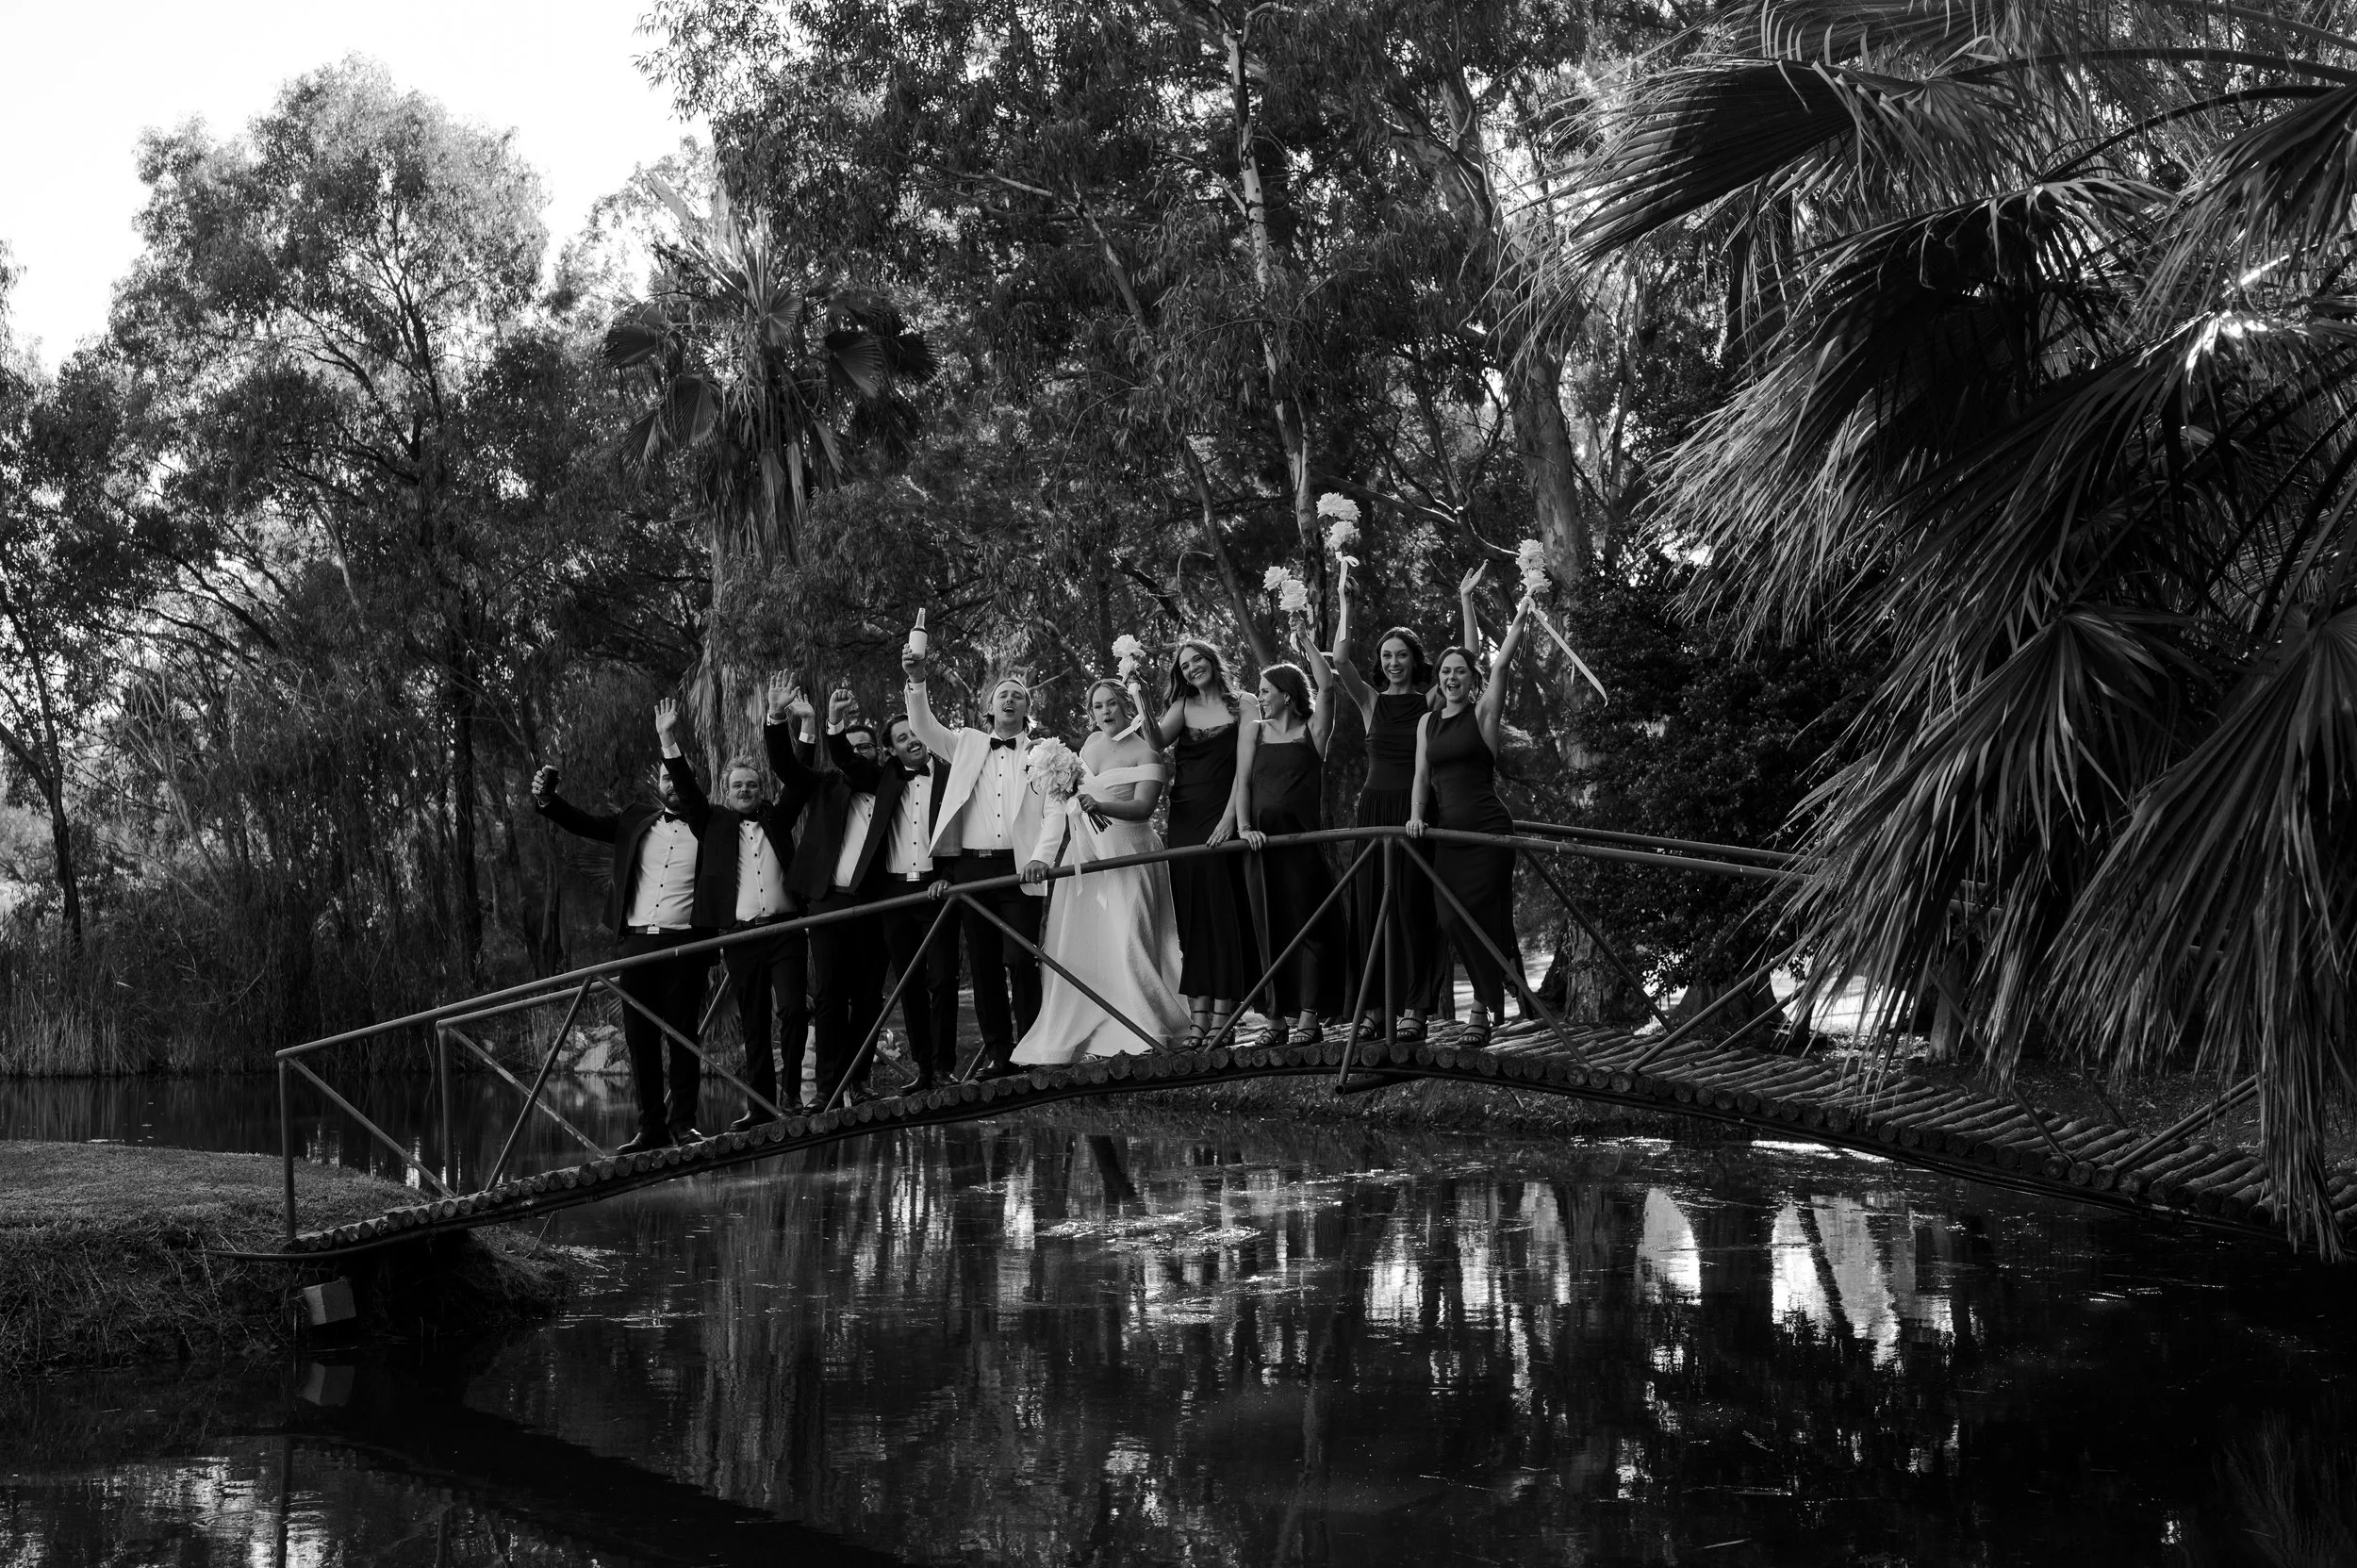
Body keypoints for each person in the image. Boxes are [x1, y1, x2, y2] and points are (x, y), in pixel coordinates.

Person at [531, 700, 713, 1153]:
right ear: (657, 783)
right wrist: (547, 800)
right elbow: (586, 824)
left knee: (683, 1033)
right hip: (635, 943)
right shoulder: (636, 820)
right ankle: (651, 1126)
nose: (672, 784)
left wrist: (669, 739)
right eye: (666, 778)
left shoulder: (711, 825)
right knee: (639, 1037)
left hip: (685, 944)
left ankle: (684, 1124)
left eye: (678, 777)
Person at [1311, 565, 1484, 1040]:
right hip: (1373, 812)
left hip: (1415, 813)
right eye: (1386, 655)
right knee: (1370, 908)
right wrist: (1345, 597)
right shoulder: (1370, 702)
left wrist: (1466, 602)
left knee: (1412, 908)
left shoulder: (1428, 701)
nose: (1392, 662)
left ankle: (1415, 1007)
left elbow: (1466, 657)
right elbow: (1340, 658)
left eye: (1401, 655)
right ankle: (1372, 1008)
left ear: (1414, 660)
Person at [1013, 679, 1189, 1063]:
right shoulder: (1090, 744)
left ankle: (1148, 1025)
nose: (1105, 712)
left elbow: (1143, 808)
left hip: (1130, 851)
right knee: (1082, 939)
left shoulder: (1148, 753)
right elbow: (1073, 792)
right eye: (1097, 706)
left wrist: (1100, 806)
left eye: (1111, 704)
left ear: (1127, 706)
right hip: (1088, 852)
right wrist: (1062, 786)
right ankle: (1095, 1028)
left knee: (1132, 937)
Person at [902, 636, 1054, 1079]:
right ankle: (1000, 1055)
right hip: (972, 866)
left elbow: (1053, 813)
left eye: (1019, 695)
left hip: (1021, 866)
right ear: (990, 707)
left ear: (1027, 710)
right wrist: (916, 680)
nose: (1010, 697)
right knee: (985, 964)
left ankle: (1034, 1049)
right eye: (1002, 693)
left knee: (1020, 958)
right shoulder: (966, 743)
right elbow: (924, 726)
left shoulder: (1045, 753)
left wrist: (1042, 857)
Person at [663, 720, 810, 1128]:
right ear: (726, 793)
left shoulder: (778, 818)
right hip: (742, 937)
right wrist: (668, 741)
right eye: (738, 786)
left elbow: (798, 779)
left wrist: (809, 728)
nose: (745, 791)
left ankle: (793, 1093)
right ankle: (760, 1107)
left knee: (794, 1009)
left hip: (786, 930)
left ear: (761, 789)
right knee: (754, 1022)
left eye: (752, 784)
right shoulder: (714, 824)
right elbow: (688, 792)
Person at [766, 686, 905, 1105]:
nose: (859, 753)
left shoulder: (890, 788)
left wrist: (833, 726)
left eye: (867, 747)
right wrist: (778, 718)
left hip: (874, 902)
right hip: (828, 902)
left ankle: (858, 1082)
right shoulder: (825, 784)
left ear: (880, 755)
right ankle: (826, 1088)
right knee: (828, 996)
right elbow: (786, 766)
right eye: (852, 746)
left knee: (867, 997)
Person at [1408, 595, 1535, 1047]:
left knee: (1484, 917)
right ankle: (1504, 996)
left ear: (1470, 677)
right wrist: (1415, 817)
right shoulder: (1427, 723)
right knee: (1449, 918)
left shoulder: (1483, 714)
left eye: (1460, 670)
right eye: (1445, 672)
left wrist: (1518, 617)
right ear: (1438, 680)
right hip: (1448, 836)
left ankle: (1480, 1012)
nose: (1452, 677)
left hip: (1488, 831)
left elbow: (1500, 668)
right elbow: (1422, 777)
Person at [1137, 640, 1258, 1046]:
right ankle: (1198, 1020)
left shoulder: (1244, 703)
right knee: (1193, 917)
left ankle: (1225, 1020)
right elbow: (1154, 741)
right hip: (1186, 817)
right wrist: (1137, 693)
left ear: (1212, 660)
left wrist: (1230, 821)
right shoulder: (1183, 707)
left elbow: (1246, 768)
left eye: (1197, 660)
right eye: (1184, 666)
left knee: (1224, 912)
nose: (1191, 669)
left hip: (1223, 815)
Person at [1236, 654, 1343, 1046]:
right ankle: (1276, 1020)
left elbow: (1328, 686)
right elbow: (1242, 782)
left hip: (1302, 847)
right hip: (1260, 848)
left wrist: (1304, 637)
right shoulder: (1254, 731)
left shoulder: (1312, 732)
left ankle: (1309, 1017)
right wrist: (1244, 828)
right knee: (1268, 930)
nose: (1260, 697)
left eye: (1265, 691)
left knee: (1309, 930)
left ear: (1286, 694)